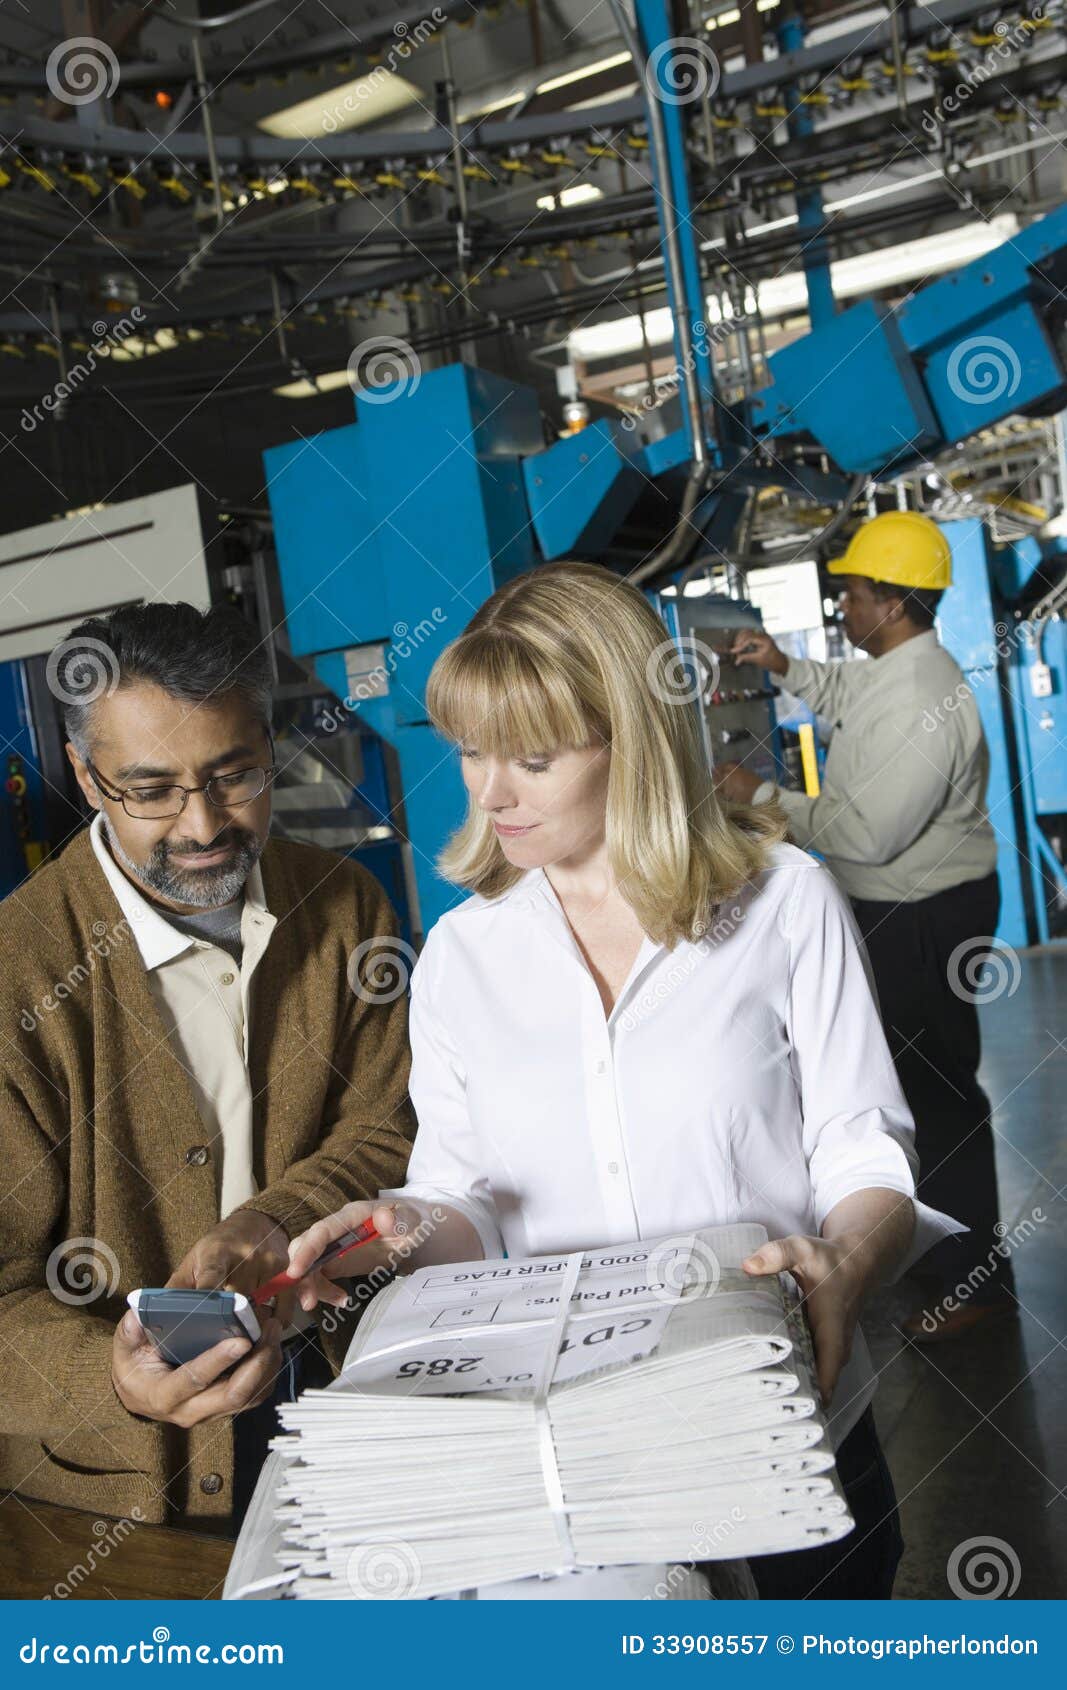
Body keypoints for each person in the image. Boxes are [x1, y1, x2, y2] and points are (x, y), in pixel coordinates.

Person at [285, 560, 963, 1599]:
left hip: (779, 1420)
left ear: (632, 741)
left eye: (533, 758)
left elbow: (860, 1143)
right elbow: (467, 1195)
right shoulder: (466, 955)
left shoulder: (784, 902)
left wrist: (844, 1254)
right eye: (469, 752)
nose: (489, 791)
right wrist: (394, 1225)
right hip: (579, 1454)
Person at [0, 603, 415, 1530]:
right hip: (122, 1494)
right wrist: (106, 1377)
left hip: (350, 1401)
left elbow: (389, 1123)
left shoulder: (344, 905)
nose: (202, 826)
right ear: (84, 772)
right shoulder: (16, 976)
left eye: (235, 775)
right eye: (150, 789)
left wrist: (273, 1221)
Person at [715, 511, 1009, 1341]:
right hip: (905, 904)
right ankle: (936, 1259)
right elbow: (853, 693)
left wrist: (755, 797)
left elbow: (869, 833)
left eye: (849, 593)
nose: (841, 605)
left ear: (887, 601)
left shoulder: (922, 692)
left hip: (921, 915)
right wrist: (785, 666)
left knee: (937, 1096)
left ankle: (972, 1283)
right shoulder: (898, 669)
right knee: (919, 1088)